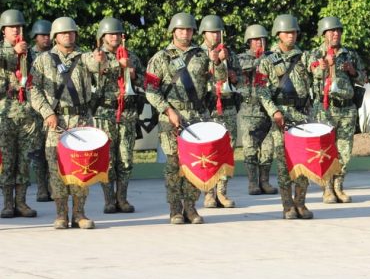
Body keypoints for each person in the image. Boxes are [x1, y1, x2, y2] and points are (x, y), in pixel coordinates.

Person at [144, 12, 228, 224]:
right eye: (181, 29)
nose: (185, 32)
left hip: (196, 117)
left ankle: (190, 207)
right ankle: (175, 209)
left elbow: (220, 81)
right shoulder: (160, 58)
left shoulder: (202, 55)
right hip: (170, 118)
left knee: (194, 164)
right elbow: (151, 90)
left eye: (189, 29)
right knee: (173, 164)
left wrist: (218, 63)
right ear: (173, 31)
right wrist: (167, 110)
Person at [30, 17, 100, 229]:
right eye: (63, 33)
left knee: (81, 167)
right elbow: (32, 89)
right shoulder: (43, 60)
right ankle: (61, 214)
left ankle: (79, 214)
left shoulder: (85, 57)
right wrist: (47, 112)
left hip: (80, 121)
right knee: (57, 169)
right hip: (56, 122)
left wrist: (101, 60)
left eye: (71, 33)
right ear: (55, 37)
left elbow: (98, 66)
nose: (68, 36)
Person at [88, 17, 145, 214]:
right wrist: (116, 67)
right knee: (108, 160)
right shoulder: (96, 56)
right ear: (103, 36)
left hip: (127, 113)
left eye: (118, 34)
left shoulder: (132, 56)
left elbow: (146, 81)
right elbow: (93, 76)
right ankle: (109, 200)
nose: (115, 37)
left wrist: (134, 74)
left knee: (126, 159)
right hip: (104, 113)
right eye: (111, 34)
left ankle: (123, 198)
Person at [259, 14, 313, 219]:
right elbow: (261, 90)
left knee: (303, 162)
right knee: (283, 163)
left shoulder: (305, 57)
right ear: (278, 34)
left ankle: (301, 203)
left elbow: (316, 73)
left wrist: (323, 67)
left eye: (294, 32)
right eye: (287, 32)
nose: (291, 36)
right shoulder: (267, 60)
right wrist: (274, 111)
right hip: (280, 117)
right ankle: (287, 205)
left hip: (302, 116)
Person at [309, 16, 365, 204]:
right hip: (326, 109)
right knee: (326, 149)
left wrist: (353, 72)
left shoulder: (350, 55)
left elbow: (363, 78)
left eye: (338, 31)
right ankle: (327, 188)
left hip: (347, 109)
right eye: (331, 31)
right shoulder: (316, 54)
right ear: (323, 34)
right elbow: (312, 74)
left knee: (344, 151)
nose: (335, 34)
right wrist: (322, 67)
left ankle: (339, 186)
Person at [198, 15, 240, 209]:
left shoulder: (229, 54)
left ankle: (222, 192)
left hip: (228, 106)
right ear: (204, 34)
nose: (215, 36)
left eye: (218, 32)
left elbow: (240, 78)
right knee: (208, 150)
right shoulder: (197, 54)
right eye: (211, 32)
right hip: (208, 108)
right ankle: (209, 192)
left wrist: (233, 75)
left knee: (226, 149)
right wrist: (213, 63)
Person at [0, 9, 38, 219]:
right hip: (5, 112)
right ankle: (7, 203)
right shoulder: (4, 50)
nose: (16, 30)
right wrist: (14, 52)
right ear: (3, 30)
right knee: (7, 159)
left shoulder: (28, 51)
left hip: (25, 111)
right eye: (12, 27)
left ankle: (21, 202)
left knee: (24, 159)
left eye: (19, 27)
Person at [237, 24, 281, 195]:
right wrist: (260, 60)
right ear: (248, 41)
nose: (259, 43)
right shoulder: (241, 59)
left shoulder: (271, 58)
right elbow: (243, 70)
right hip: (250, 110)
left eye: (262, 39)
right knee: (250, 149)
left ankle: (265, 181)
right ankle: (252, 183)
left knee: (268, 150)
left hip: (268, 109)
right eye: (255, 40)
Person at [28, 19, 53, 202]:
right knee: (38, 152)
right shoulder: (27, 54)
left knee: (52, 151)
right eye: (42, 35)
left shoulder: (55, 55)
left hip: (53, 107)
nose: (46, 39)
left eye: (48, 35)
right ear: (35, 37)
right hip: (35, 109)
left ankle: (53, 187)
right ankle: (42, 189)